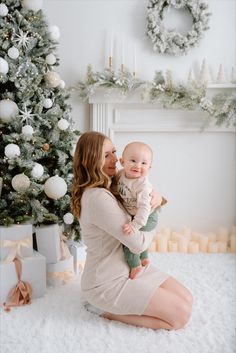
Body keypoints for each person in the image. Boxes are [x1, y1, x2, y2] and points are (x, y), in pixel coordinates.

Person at [71, 131, 192, 330]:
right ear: (90, 160)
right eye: (106, 155)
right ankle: (104, 311)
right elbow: (138, 242)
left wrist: (158, 198)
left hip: (128, 268)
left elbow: (140, 192)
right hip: (105, 283)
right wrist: (154, 214)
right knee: (180, 316)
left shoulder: (112, 183)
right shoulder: (97, 197)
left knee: (187, 298)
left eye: (114, 152)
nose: (114, 160)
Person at [118, 141, 165, 279]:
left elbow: (144, 210)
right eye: (133, 160)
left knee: (130, 240)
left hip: (148, 217)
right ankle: (144, 258)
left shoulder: (143, 186)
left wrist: (134, 226)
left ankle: (135, 265)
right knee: (137, 236)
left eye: (144, 163)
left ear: (149, 167)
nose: (138, 166)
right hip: (136, 214)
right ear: (122, 162)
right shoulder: (121, 174)